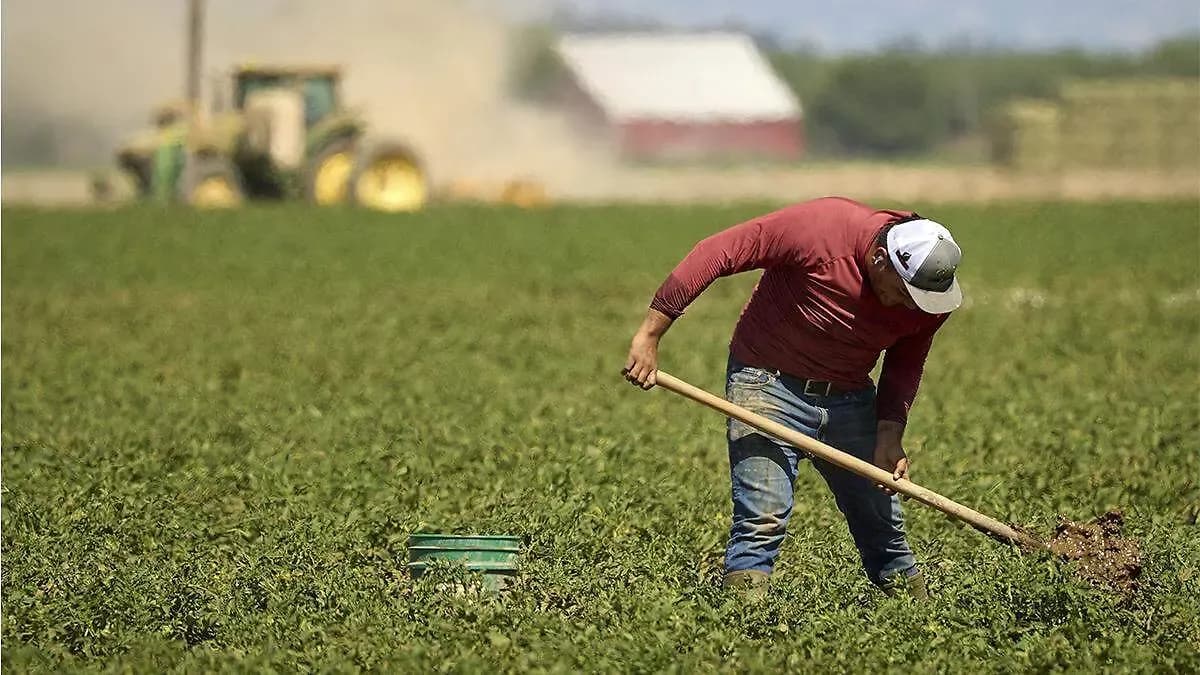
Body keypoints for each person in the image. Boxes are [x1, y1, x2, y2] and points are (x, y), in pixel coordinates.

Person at [622, 196, 964, 600]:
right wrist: (650, 334)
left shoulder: (929, 297)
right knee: (762, 517)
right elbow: (716, 252)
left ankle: (919, 616)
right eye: (904, 293)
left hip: (850, 396)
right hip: (767, 384)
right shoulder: (821, 229)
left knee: (881, 522)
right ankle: (744, 619)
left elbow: (906, 362)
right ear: (880, 260)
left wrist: (890, 435)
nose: (911, 306)